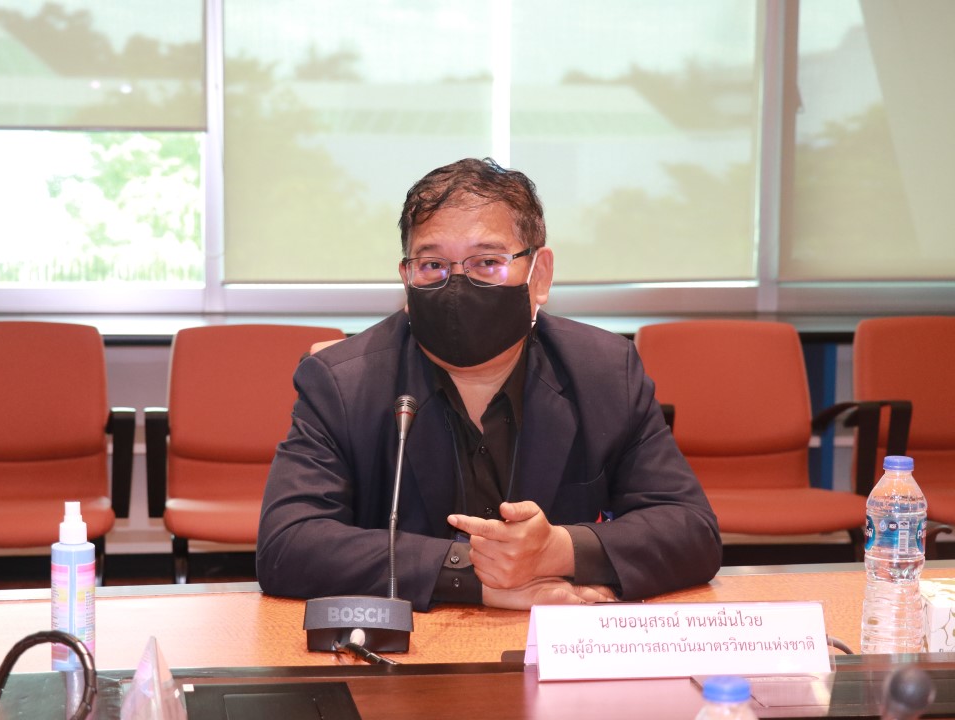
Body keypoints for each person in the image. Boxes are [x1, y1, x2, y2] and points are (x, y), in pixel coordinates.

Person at [257, 157, 721, 611]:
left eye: (487, 262)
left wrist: (558, 550)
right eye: (433, 265)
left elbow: (691, 529)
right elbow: (288, 544)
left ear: (539, 276)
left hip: (558, 637)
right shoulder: (342, 382)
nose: (457, 284)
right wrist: (473, 577)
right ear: (406, 280)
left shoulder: (604, 372)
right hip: (411, 645)